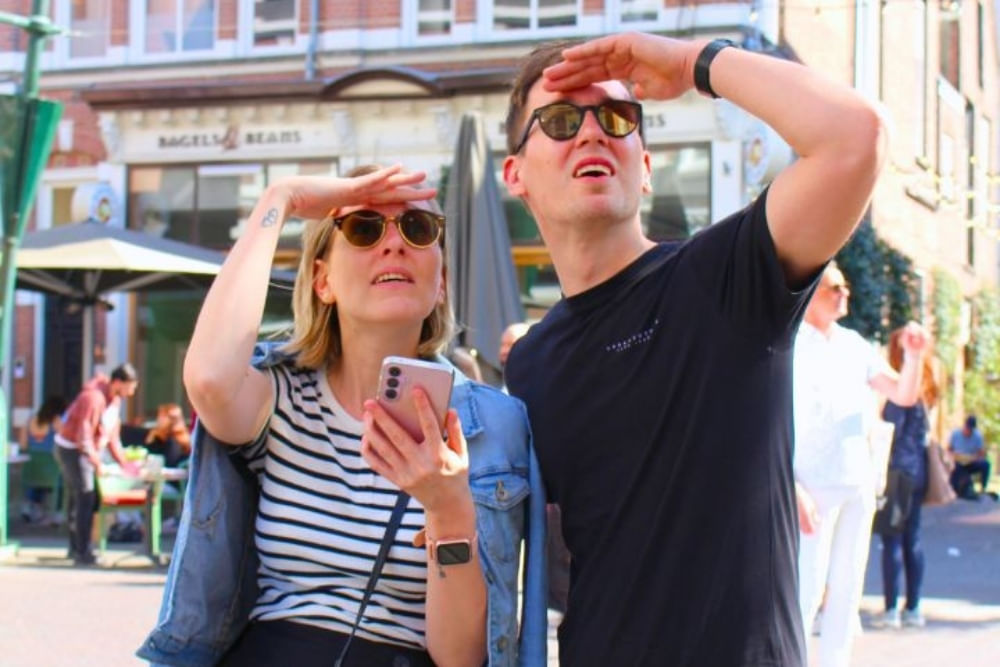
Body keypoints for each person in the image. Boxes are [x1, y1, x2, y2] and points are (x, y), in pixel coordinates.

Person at [501, 32, 886, 665]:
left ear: (646, 167)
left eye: (618, 118)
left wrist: (692, 63)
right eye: (562, 119)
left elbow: (856, 137)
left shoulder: (725, 277)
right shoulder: (532, 362)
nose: (593, 133)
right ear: (516, 173)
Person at [139, 164, 546, 667]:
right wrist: (279, 199)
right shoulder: (281, 395)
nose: (394, 244)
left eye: (417, 230)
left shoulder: (494, 426)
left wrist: (447, 509)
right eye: (364, 228)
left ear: (439, 282)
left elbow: (459, 657)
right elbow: (207, 381)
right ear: (322, 279)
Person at [794, 265, 928, 666]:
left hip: (856, 482)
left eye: (846, 286)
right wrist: (790, 485)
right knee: (806, 590)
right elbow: (768, 419)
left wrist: (915, 357)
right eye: (835, 287)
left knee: (847, 590)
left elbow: (902, 395)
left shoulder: (855, 344)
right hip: (812, 485)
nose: (844, 293)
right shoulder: (791, 343)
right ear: (812, 292)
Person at [873, 329, 939, 630]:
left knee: (892, 542)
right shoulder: (927, 389)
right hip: (918, 472)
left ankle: (891, 609)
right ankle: (913, 607)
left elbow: (890, 431)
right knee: (913, 540)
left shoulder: (899, 390)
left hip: (896, 471)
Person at [53, 363, 140, 565]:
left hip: (86, 451)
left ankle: (77, 548)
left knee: (87, 499)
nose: (132, 392)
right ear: (118, 383)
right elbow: (84, 437)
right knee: (85, 495)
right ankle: (82, 552)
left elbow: (112, 436)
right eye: (130, 387)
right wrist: (96, 462)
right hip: (71, 449)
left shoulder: (115, 400)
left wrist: (124, 463)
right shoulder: (93, 398)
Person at [18, 395, 68, 522]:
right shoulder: (56, 422)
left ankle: (31, 506)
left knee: (35, 478)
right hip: (51, 467)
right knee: (61, 477)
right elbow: (63, 440)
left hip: (32, 466)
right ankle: (57, 512)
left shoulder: (30, 421)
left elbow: (23, 444)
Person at [948, 415, 991, 498]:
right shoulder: (955, 434)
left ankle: (983, 488)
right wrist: (953, 455)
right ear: (964, 426)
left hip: (971, 462)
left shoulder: (977, 436)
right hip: (958, 462)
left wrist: (977, 458)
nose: (968, 431)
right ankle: (958, 489)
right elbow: (949, 449)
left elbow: (981, 453)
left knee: (986, 464)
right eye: (967, 428)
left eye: (971, 430)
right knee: (956, 467)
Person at [143, 403, 192, 467]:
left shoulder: (174, 442)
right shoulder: (158, 436)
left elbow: (170, 464)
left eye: (162, 416)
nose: (159, 419)